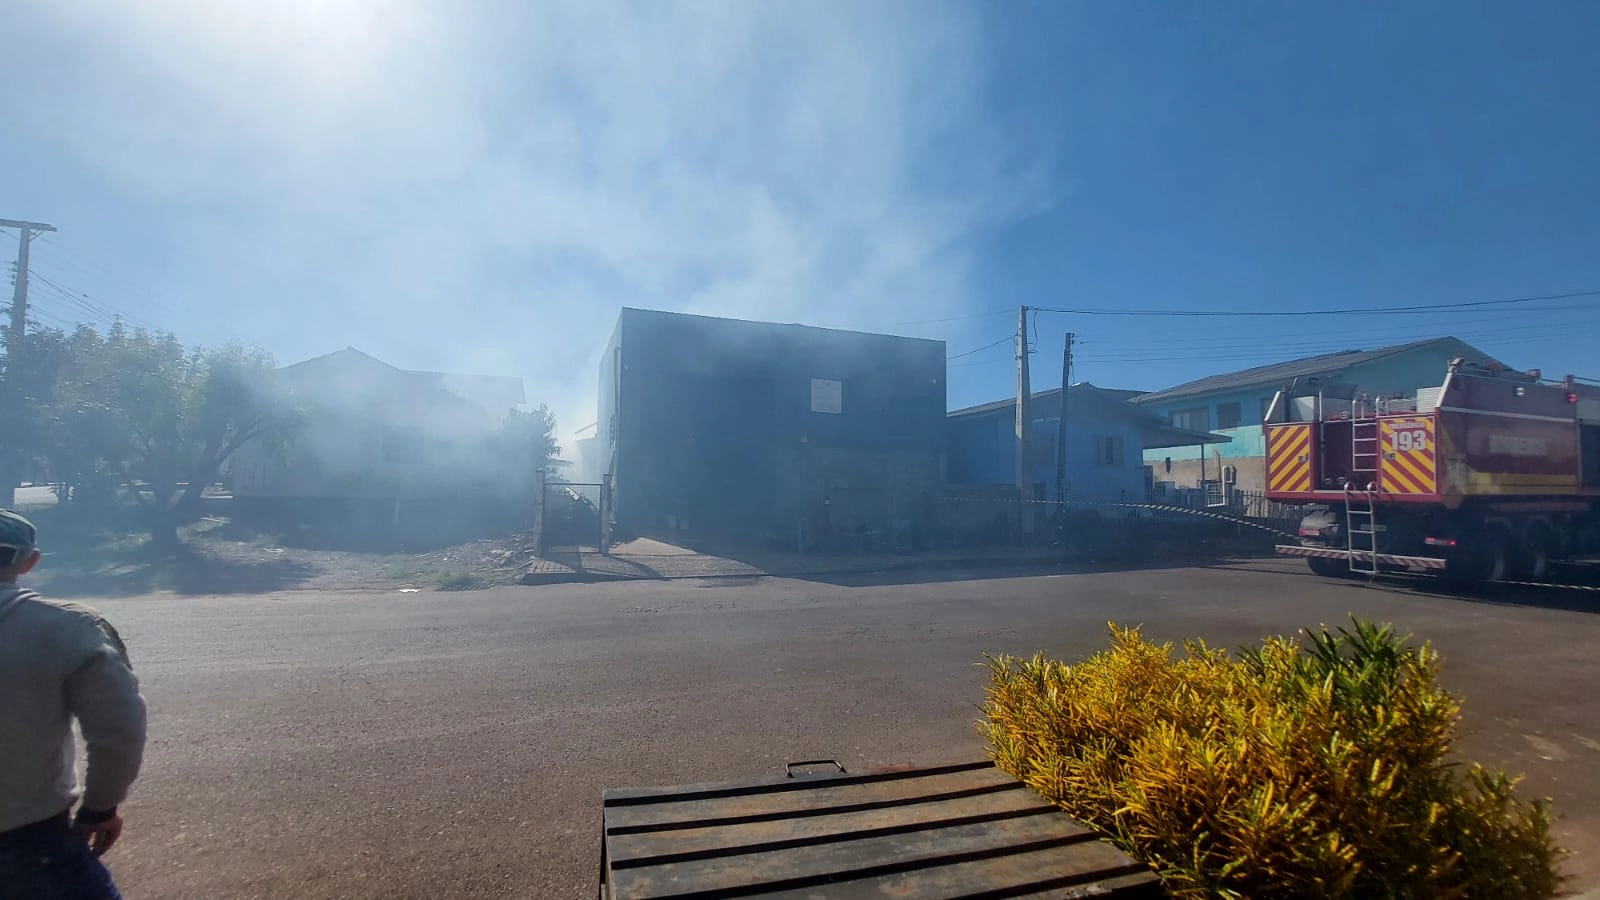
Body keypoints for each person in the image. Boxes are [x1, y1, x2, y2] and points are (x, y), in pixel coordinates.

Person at [0, 508, 148, 899]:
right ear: (29, 562)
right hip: (26, 841)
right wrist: (100, 808)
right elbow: (120, 731)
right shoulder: (68, 628)